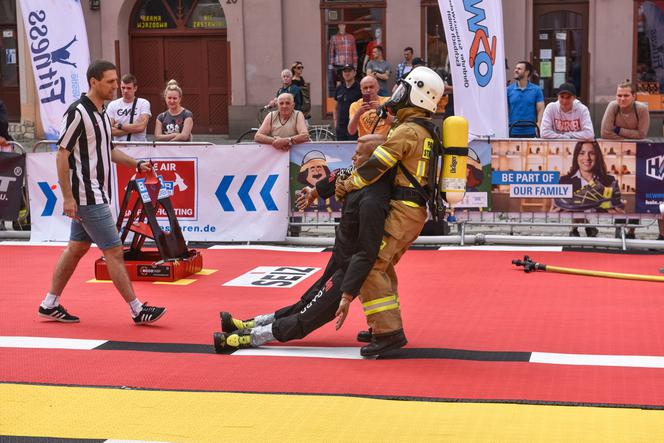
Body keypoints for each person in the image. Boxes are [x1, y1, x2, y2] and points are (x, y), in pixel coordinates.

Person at [212, 135, 393, 351]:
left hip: (350, 267)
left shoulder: (373, 200)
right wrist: (314, 192)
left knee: (309, 316)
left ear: (373, 159)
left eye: (358, 153)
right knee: (307, 301)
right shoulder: (357, 174)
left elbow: (366, 251)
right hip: (340, 256)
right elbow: (337, 175)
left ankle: (247, 337)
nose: (353, 156)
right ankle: (253, 323)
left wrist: (347, 293)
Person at [38, 60, 166, 325]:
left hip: (95, 193)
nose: (116, 86)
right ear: (93, 82)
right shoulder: (77, 113)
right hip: (87, 196)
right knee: (114, 251)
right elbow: (62, 154)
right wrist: (68, 197)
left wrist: (137, 164)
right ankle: (136, 309)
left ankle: (49, 303)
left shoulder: (102, 113)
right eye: (110, 81)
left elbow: (109, 150)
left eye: (116, 81)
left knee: (77, 248)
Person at [335, 66, 446, 356]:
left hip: (403, 210)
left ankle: (388, 333)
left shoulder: (408, 131)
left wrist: (347, 184)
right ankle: (381, 323)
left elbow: (374, 166)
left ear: (418, 97)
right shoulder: (422, 129)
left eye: (404, 91)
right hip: (412, 211)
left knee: (371, 265)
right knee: (383, 266)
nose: (397, 96)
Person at [600, 80, 651, 239]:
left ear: (634, 96)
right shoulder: (612, 107)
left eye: (626, 95)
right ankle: (619, 226)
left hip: (637, 156)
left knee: (634, 193)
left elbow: (642, 134)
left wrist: (619, 130)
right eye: (619, 95)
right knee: (617, 191)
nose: (622, 99)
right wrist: (628, 136)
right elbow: (605, 133)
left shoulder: (641, 109)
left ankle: (632, 230)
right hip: (616, 156)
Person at [553, 141, 624, 237]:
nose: (587, 158)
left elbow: (619, 211)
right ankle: (579, 228)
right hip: (575, 229)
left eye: (592, 153)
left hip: (603, 230)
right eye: (582, 153)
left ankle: (591, 227)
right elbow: (554, 214)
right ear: (576, 156)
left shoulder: (609, 180)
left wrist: (620, 216)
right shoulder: (564, 181)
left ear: (597, 156)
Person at [106, 74, 151, 142]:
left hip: (139, 147)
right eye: (123, 88)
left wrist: (119, 126)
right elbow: (109, 130)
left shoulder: (143, 103)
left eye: (129, 88)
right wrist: (133, 128)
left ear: (135, 88)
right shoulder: (113, 105)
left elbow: (141, 127)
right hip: (119, 146)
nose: (125, 91)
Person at [507, 61, 544, 138]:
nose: (516, 70)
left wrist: (539, 123)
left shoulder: (536, 90)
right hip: (512, 131)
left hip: (531, 131)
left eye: (519, 69)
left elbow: (540, 109)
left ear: (527, 72)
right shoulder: (508, 90)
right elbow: (504, 109)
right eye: (516, 68)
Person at [333, 64, 362, 141]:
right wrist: (335, 122)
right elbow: (335, 108)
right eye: (345, 71)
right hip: (341, 128)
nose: (347, 73)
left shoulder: (360, 88)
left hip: (355, 127)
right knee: (341, 151)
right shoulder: (339, 88)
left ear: (354, 73)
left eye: (349, 71)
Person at [328, 24, 357, 95]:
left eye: (343, 25)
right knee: (339, 82)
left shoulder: (351, 37)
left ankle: (349, 95)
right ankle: (338, 96)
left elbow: (354, 51)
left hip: (349, 62)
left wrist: (355, 64)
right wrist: (331, 64)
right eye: (340, 25)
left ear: (345, 26)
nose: (342, 27)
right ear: (338, 26)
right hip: (338, 63)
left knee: (349, 80)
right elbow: (331, 51)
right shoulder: (334, 38)